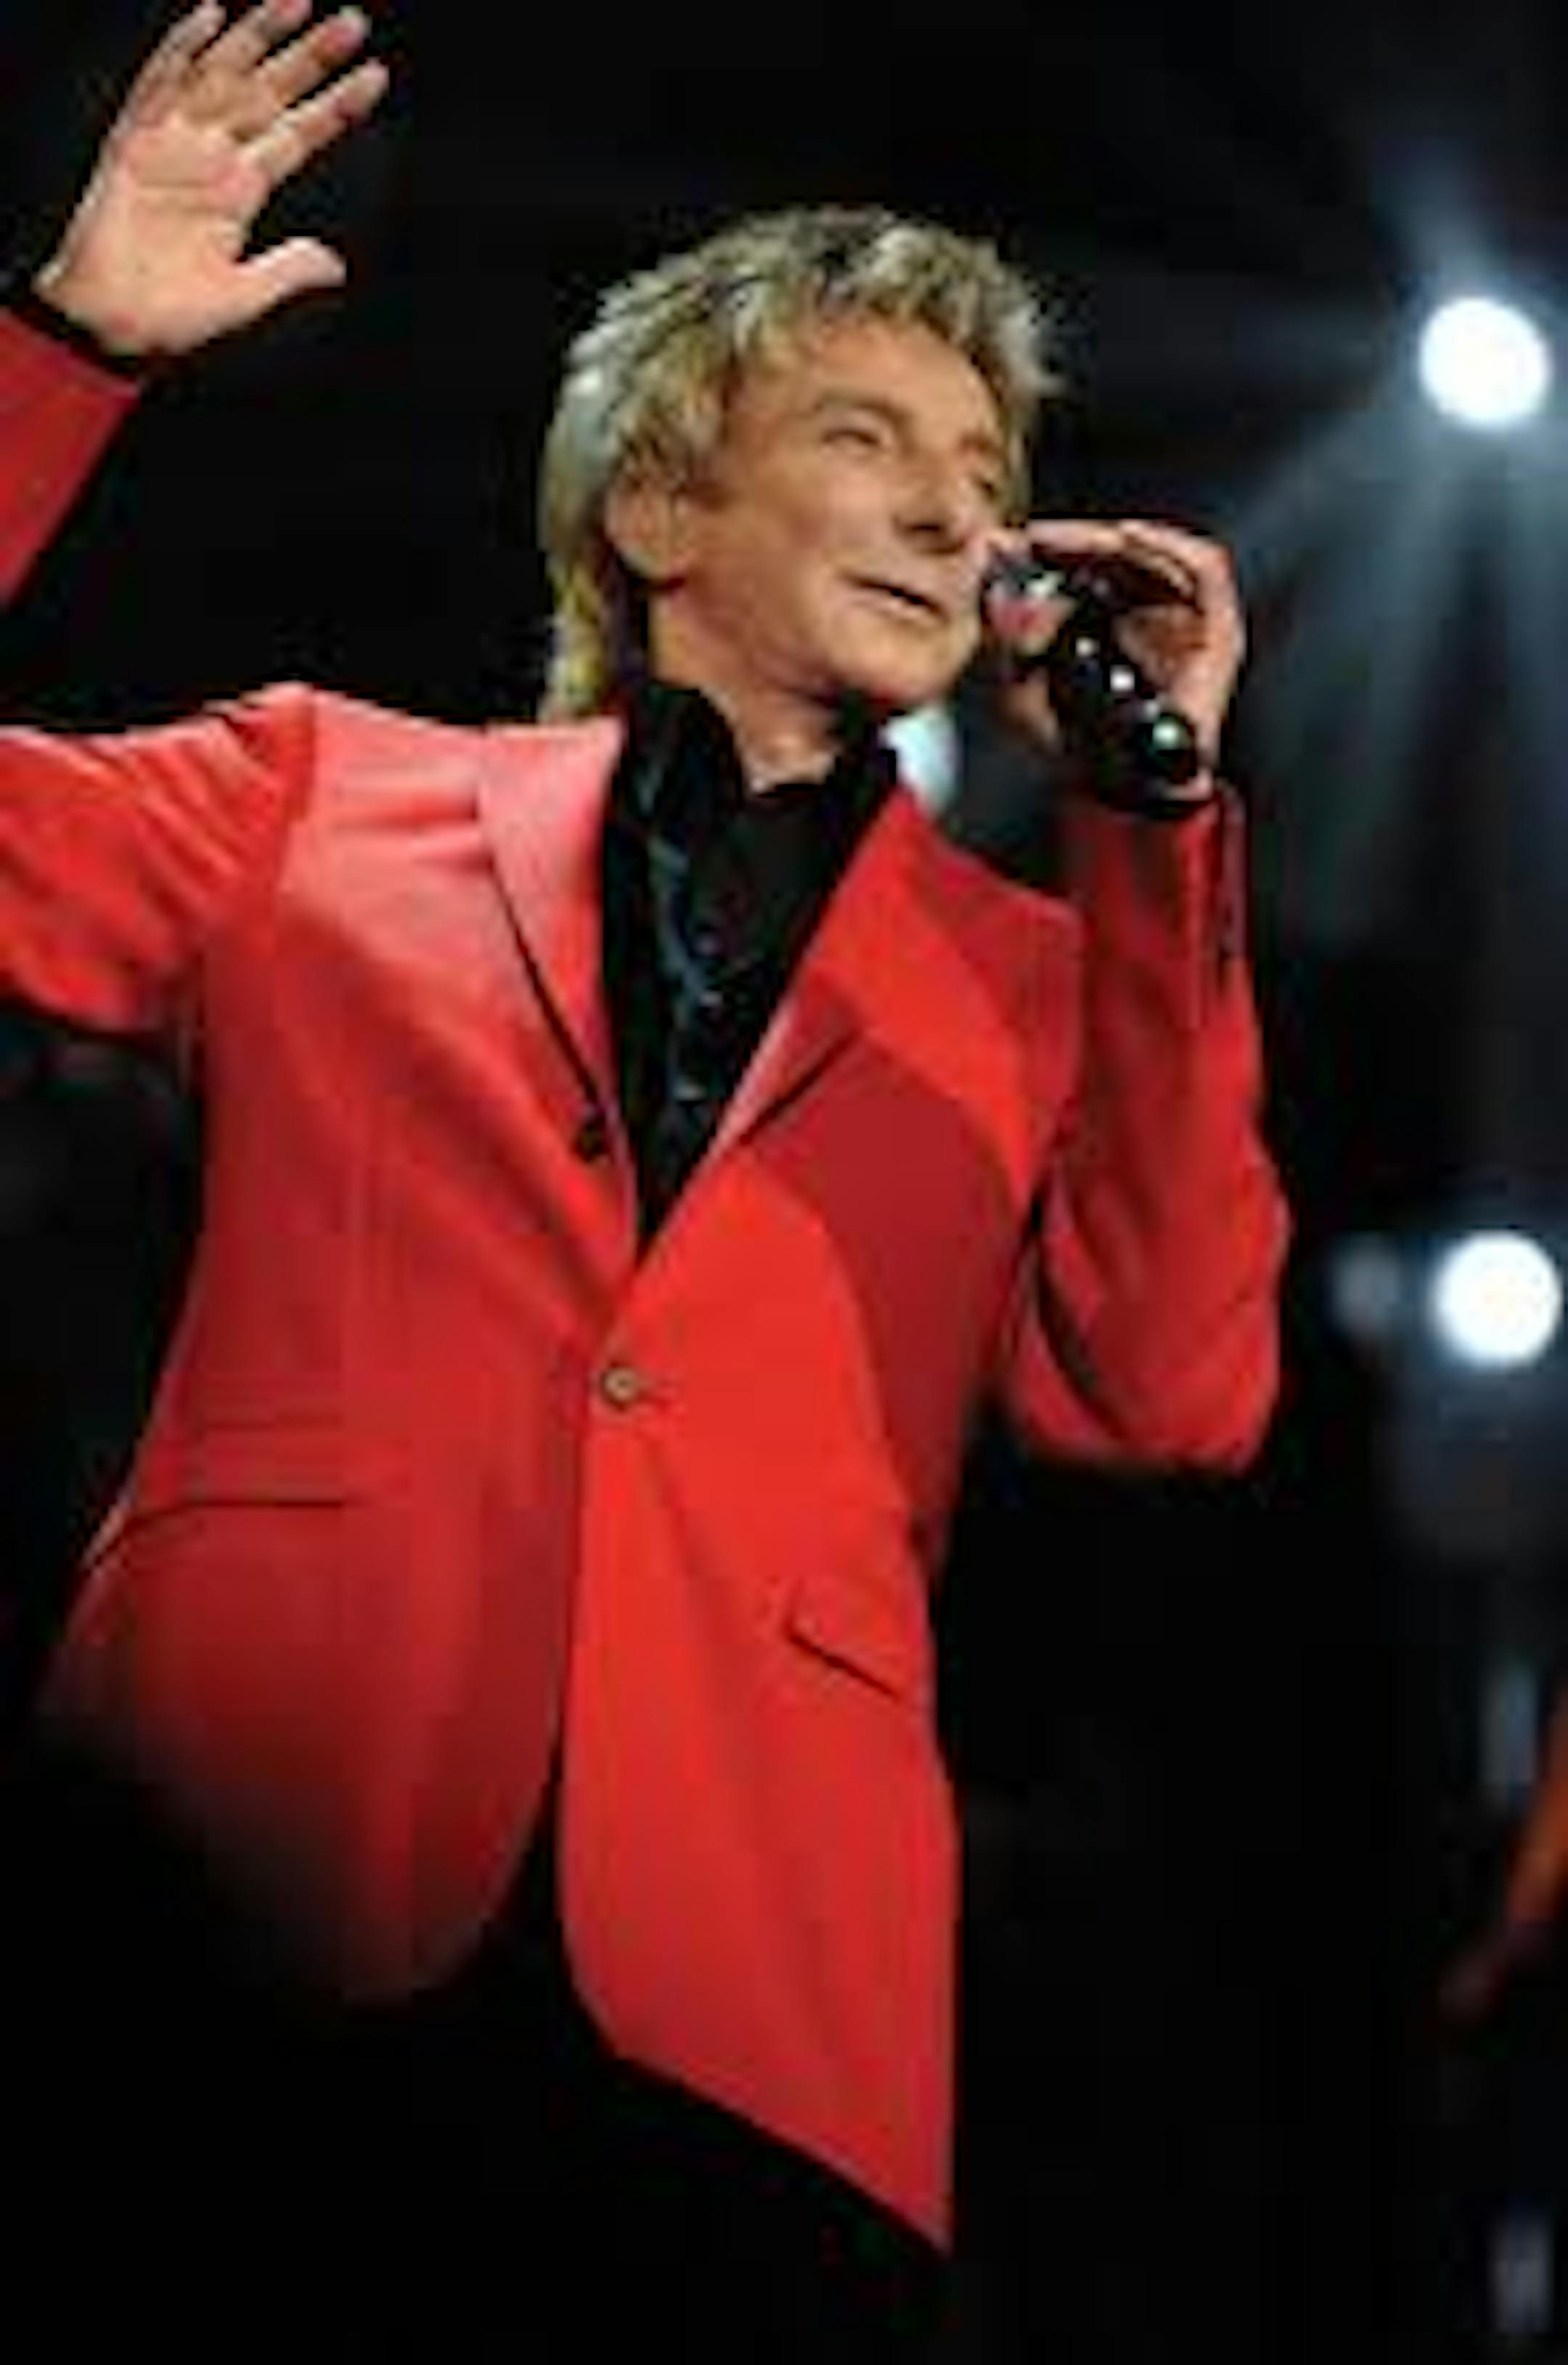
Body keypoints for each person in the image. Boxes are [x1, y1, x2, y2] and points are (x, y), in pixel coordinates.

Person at [0, 2, 1289, 2356]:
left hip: (753, 2014)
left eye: (983, 467)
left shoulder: (1042, 983)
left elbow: (1172, 1392)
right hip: (251, 1892)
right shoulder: (317, 800)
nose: (952, 509)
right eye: (862, 436)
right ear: (656, 508)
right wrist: (63, 356)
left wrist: (1154, 843)